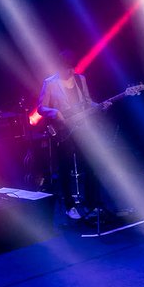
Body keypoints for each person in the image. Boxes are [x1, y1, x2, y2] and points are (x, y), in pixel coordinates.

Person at [37, 50, 110, 220]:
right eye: (66, 68)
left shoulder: (80, 79)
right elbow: (41, 107)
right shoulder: (50, 83)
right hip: (63, 131)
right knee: (65, 168)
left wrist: (100, 105)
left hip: (82, 128)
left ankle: (92, 203)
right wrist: (55, 113)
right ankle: (70, 206)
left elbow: (87, 101)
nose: (70, 72)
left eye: (72, 68)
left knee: (91, 165)